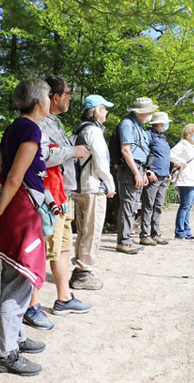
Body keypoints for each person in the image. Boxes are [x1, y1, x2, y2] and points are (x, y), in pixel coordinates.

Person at [0, 79, 50, 376]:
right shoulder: (31, 129)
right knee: (17, 283)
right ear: (38, 101)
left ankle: (17, 336)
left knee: (16, 277)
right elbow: (14, 178)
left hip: (11, 208)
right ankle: (6, 354)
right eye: (47, 95)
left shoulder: (12, 128)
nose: (49, 100)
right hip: (20, 211)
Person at [22, 75, 91, 330]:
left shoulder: (55, 122)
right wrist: (73, 151)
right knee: (41, 251)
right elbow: (41, 156)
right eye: (68, 92)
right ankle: (31, 306)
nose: (70, 97)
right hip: (47, 196)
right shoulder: (38, 123)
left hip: (63, 194)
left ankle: (64, 299)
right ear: (54, 96)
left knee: (62, 248)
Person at [70, 95, 116, 289]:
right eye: (104, 108)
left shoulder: (80, 130)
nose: (106, 112)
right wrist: (110, 184)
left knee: (83, 231)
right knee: (92, 232)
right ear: (96, 110)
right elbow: (101, 163)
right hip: (93, 188)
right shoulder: (94, 132)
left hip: (79, 188)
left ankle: (79, 269)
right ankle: (83, 274)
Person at [116, 97, 158, 254]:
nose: (151, 113)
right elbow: (125, 150)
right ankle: (124, 241)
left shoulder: (138, 125)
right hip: (130, 168)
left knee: (133, 206)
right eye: (149, 110)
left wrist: (144, 171)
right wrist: (135, 172)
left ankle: (128, 238)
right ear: (142, 111)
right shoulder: (127, 124)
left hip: (138, 167)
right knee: (128, 205)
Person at [139, 112, 172, 246]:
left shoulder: (163, 138)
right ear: (159, 123)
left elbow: (164, 157)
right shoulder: (148, 135)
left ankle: (155, 233)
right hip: (153, 176)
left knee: (158, 205)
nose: (167, 125)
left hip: (163, 176)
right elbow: (144, 153)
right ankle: (145, 234)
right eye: (165, 123)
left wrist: (168, 172)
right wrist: (148, 170)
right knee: (148, 205)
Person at [170, 123, 194, 240]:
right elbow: (171, 154)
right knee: (185, 206)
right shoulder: (182, 145)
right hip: (186, 180)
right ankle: (180, 232)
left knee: (188, 207)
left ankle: (186, 231)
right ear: (188, 133)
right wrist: (180, 162)